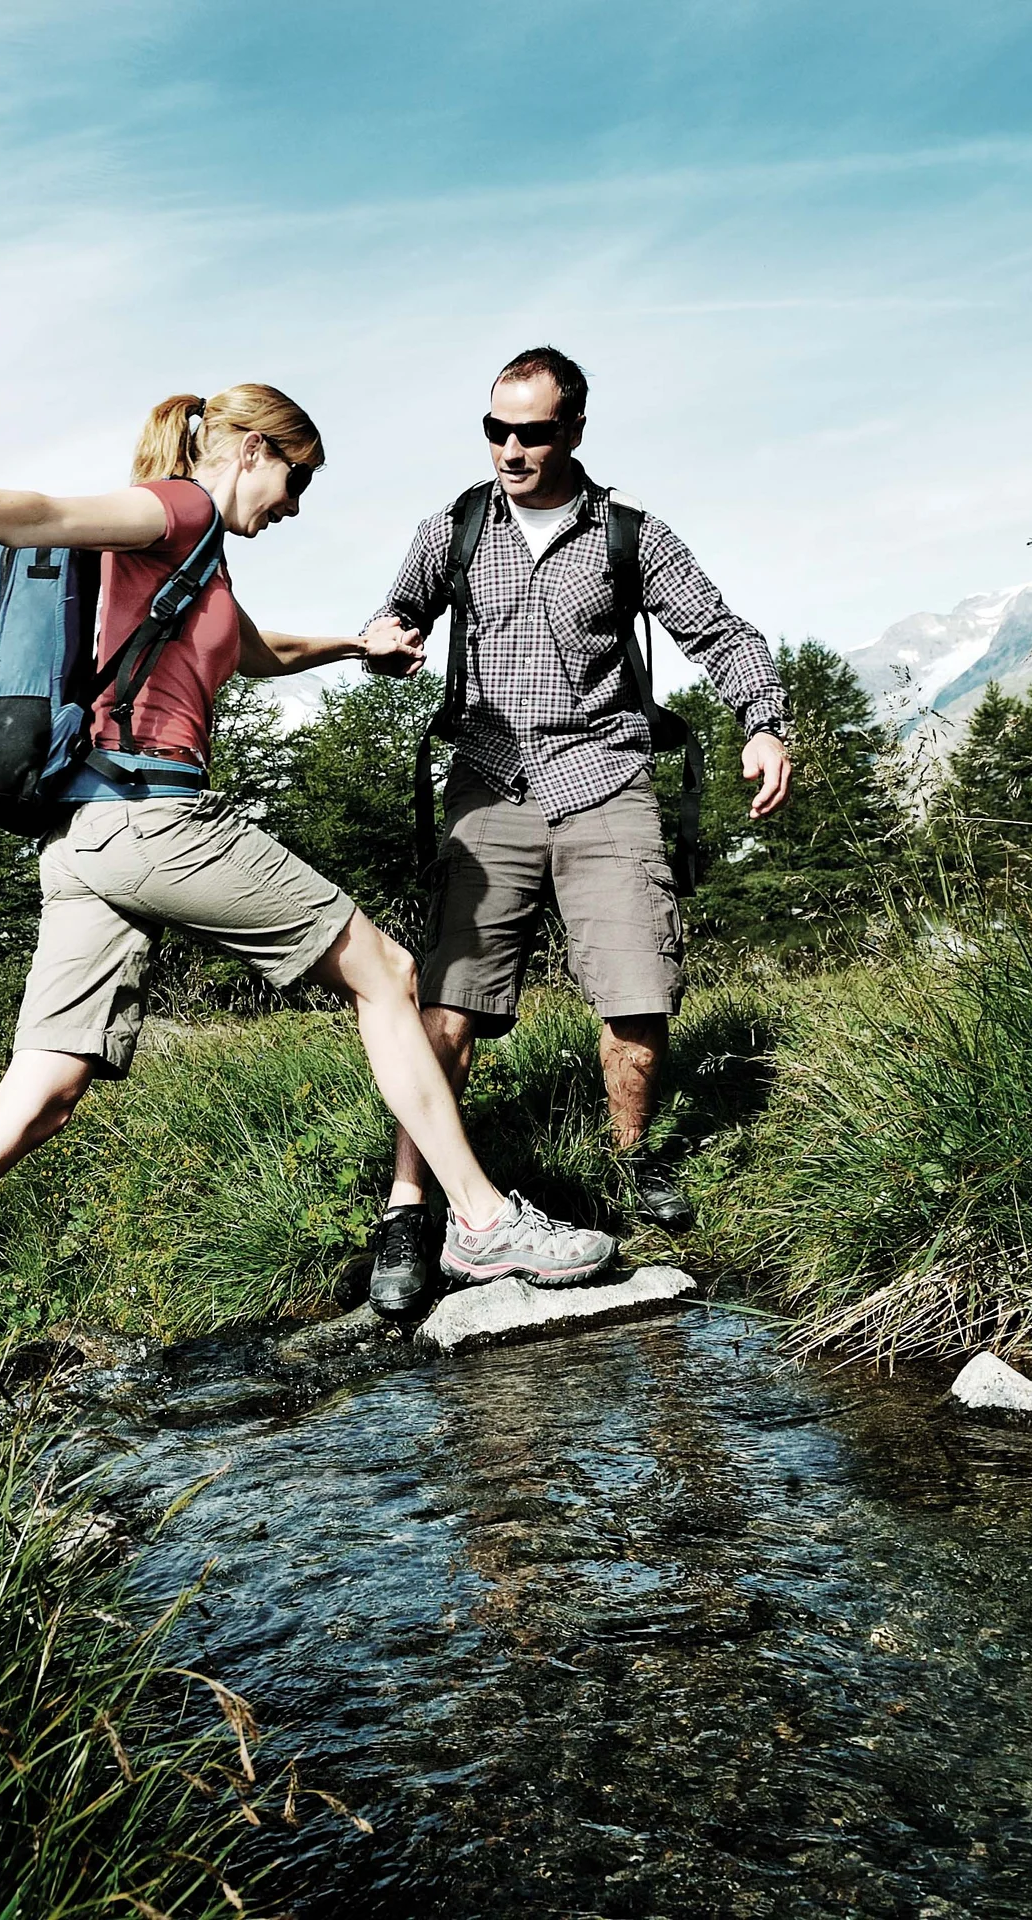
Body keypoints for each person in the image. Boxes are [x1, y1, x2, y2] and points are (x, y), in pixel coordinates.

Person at [0, 383, 618, 1369]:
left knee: (36, 1097)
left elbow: (257, 652)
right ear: (255, 449)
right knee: (387, 973)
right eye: (295, 480)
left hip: (85, 848)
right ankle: (478, 1220)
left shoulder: (194, 567)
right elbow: (43, 515)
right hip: (154, 822)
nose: (294, 507)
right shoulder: (174, 511)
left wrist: (359, 644)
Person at [360, 346, 792, 1316]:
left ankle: (633, 1160)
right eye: (496, 429)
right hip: (489, 783)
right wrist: (387, 638)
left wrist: (762, 722)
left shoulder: (632, 533)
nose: (512, 449)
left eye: (534, 431)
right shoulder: (456, 527)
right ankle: (408, 1207)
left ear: (576, 431)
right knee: (446, 1009)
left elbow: (721, 633)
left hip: (603, 780)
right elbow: (397, 610)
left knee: (637, 1001)